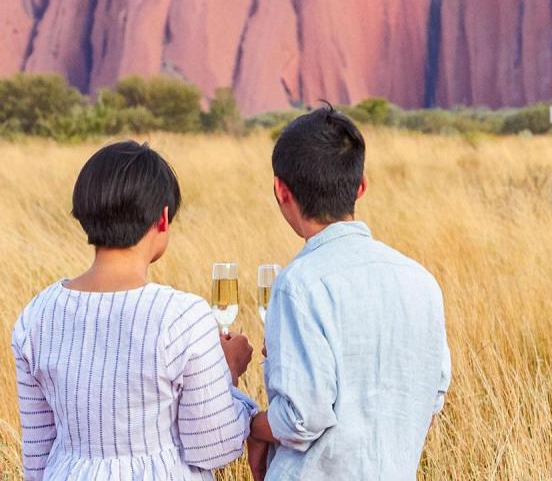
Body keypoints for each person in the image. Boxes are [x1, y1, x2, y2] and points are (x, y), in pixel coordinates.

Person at [12, 141, 257, 480]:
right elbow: (213, 447)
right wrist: (227, 370)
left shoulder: (35, 316)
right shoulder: (182, 316)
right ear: (163, 218)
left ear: (82, 213)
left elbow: (37, 457)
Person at [246, 105, 451, 480]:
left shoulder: (299, 284)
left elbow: (302, 417)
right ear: (361, 185)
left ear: (281, 190)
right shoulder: (421, 282)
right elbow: (432, 396)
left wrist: (256, 427)